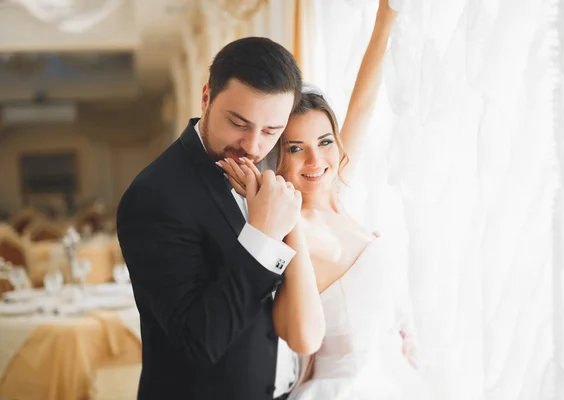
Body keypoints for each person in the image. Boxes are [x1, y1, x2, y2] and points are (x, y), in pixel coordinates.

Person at [218, 1, 432, 398]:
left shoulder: (337, 191)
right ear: (276, 160)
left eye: (325, 142)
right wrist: (280, 212)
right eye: (295, 148)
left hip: (395, 379)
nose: (316, 160)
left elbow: (362, 106)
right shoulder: (292, 230)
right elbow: (301, 337)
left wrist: (385, 18)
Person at [116, 37, 303, 400]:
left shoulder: (274, 178)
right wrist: (262, 236)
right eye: (238, 122)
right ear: (206, 98)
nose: (253, 146)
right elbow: (197, 341)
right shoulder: (153, 196)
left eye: (271, 131)